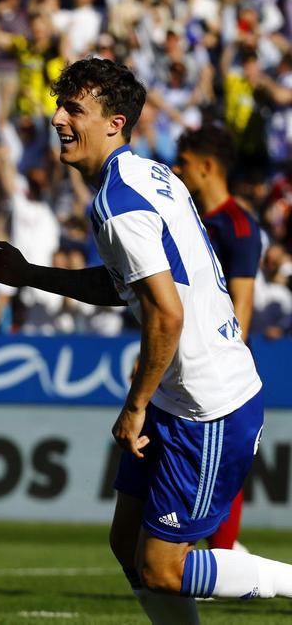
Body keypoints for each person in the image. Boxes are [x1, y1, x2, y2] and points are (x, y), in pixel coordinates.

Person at [0, 58, 292, 622]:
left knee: (163, 569)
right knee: (127, 545)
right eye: (60, 105)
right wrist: (32, 275)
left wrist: (135, 405)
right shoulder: (151, 176)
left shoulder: (119, 204)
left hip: (208, 406)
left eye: (74, 109)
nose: (57, 119)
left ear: (114, 123)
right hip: (179, 397)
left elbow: (166, 315)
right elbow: (125, 284)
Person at [173, 125, 263, 554]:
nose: (178, 169)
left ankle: (222, 554)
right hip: (181, 357)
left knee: (226, 461)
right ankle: (215, 551)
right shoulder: (192, 220)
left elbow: (241, 302)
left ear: (207, 167)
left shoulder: (238, 224)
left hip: (218, 365)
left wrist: (223, 357)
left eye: (185, 163)